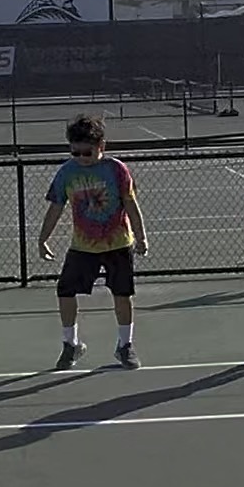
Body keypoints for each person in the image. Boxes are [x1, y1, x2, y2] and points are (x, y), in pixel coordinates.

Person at [37, 111, 148, 369]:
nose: (81, 159)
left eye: (87, 153)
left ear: (102, 147)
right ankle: (71, 344)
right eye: (75, 153)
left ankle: (125, 346)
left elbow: (131, 204)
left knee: (122, 294)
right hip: (83, 246)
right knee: (65, 290)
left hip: (118, 242)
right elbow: (55, 207)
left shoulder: (117, 170)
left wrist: (141, 237)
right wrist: (43, 239)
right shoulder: (67, 172)